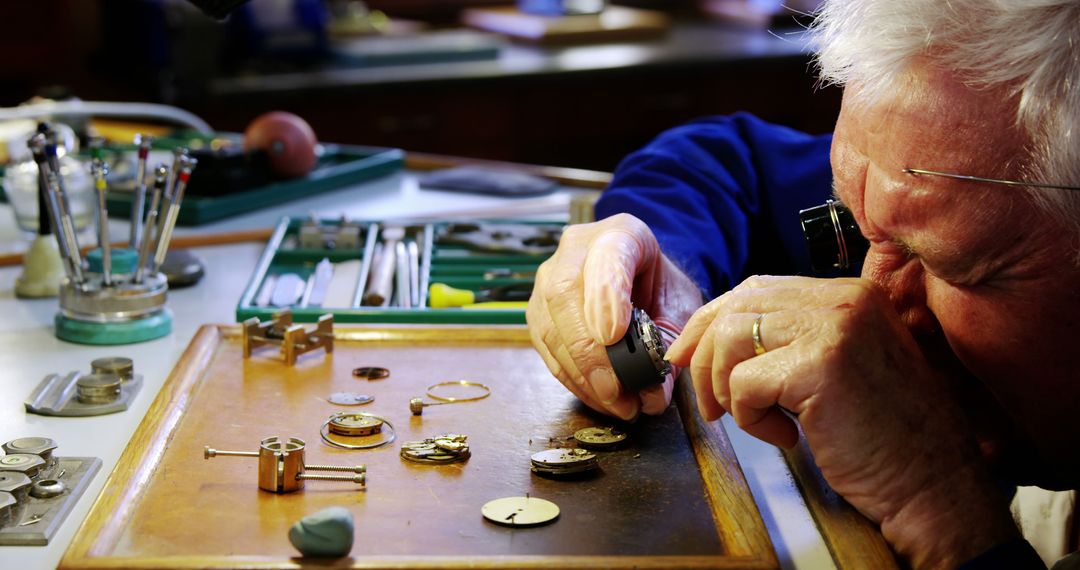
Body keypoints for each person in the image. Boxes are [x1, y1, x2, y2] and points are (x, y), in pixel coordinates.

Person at [525, 0, 1080, 567]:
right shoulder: (944, 163)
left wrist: (941, 513)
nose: (870, 309)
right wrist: (663, 260)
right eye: (859, 231)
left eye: (954, 268)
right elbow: (727, 161)